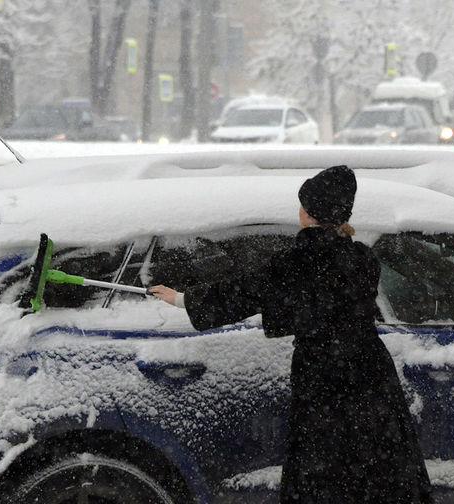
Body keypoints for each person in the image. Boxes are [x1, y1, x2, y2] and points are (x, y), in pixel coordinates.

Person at [149, 165, 432, 503]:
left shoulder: (298, 261)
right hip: (370, 371)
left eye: (303, 204)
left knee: (323, 470)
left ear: (308, 213)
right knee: (380, 467)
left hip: (322, 374)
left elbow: (244, 292)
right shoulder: (362, 259)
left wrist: (183, 299)